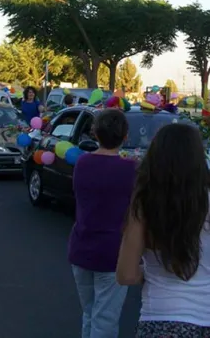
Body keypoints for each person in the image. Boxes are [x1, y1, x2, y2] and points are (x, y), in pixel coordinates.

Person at [117, 123, 210, 337]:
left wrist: (148, 273)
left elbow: (125, 275)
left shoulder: (146, 202)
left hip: (159, 318)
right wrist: (208, 267)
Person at [69, 109, 136, 338]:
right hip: (113, 252)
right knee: (105, 317)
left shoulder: (83, 164)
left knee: (89, 312)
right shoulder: (131, 170)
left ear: (95, 134)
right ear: (125, 136)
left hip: (81, 246)